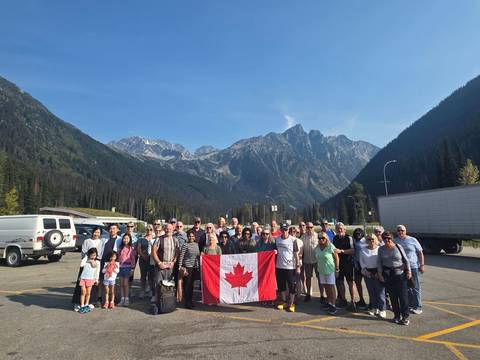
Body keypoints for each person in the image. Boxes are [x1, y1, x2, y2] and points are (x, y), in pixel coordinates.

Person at [378, 231, 411, 325]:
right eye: (384, 238)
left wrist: (408, 271)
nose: (387, 240)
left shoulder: (398, 247)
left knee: (403, 296)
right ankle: (396, 315)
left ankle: (405, 317)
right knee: (393, 297)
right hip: (388, 275)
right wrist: (380, 274)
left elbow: (406, 260)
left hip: (400, 274)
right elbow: (379, 262)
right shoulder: (381, 249)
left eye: (388, 238)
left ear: (392, 238)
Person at [394, 224, 425, 315]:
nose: (400, 232)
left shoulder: (412, 240)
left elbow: (420, 253)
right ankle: (411, 304)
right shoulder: (395, 241)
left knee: (415, 287)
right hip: (401, 268)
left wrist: (422, 265)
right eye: (399, 230)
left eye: (402, 230)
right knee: (407, 288)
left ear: (405, 231)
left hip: (413, 266)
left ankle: (418, 306)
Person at [72, 226, 103, 311]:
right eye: (95, 232)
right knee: (81, 286)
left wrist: (95, 262)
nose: (96, 234)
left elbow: (100, 254)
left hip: (95, 265)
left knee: (92, 285)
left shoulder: (101, 242)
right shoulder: (87, 241)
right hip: (86, 264)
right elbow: (83, 253)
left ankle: (90, 302)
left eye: (98, 232)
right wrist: (89, 260)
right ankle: (78, 303)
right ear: (92, 232)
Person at [275, 223, 300, 313]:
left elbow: (296, 255)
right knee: (281, 286)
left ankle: (292, 303)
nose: (284, 231)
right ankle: (284, 301)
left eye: (286, 230)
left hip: (290, 267)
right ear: (280, 230)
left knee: (291, 286)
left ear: (288, 230)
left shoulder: (293, 240)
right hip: (279, 266)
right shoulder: (277, 239)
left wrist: (298, 266)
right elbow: (275, 251)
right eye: (283, 229)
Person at [359, 234, 386, 318]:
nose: (371, 241)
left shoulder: (380, 249)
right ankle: (374, 308)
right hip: (367, 272)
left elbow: (382, 261)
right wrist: (365, 270)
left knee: (380, 292)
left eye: (373, 239)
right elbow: (361, 261)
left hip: (378, 272)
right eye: (369, 239)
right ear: (366, 241)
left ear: (376, 240)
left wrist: (379, 272)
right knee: (371, 291)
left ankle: (382, 309)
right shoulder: (362, 250)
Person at [332, 222, 356, 311]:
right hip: (339, 263)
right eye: (338, 228)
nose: (339, 230)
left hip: (348, 263)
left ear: (345, 230)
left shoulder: (349, 238)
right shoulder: (335, 238)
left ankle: (353, 301)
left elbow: (353, 250)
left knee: (350, 283)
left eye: (341, 228)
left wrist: (342, 251)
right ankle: (343, 300)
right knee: (339, 282)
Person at [314, 232, 339, 315]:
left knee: (331, 287)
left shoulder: (330, 246)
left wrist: (337, 269)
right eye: (320, 238)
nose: (321, 240)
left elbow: (336, 258)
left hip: (330, 270)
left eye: (323, 238)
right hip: (321, 270)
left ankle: (334, 305)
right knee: (326, 287)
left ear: (326, 239)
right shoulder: (317, 247)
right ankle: (329, 302)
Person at [98, 223, 121, 305]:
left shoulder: (120, 239)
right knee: (102, 280)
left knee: (114, 281)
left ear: (118, 230)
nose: (112, 230)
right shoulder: (104, 239)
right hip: (104, 262)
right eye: (110, 229)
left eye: (114, 228)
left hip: (114, 263)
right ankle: (100, 297)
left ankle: (113, 299)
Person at [178, 230, 200, 309]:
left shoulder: (197, 245)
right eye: (190, 236)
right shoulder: (185, 245)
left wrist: (197, 267)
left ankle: (190, 301)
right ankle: (187, 302)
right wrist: (180, 267)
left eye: (192, 236)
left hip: (194, 268)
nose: (191, 237)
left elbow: (197, 257)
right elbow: (181, 257)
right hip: (187, 268)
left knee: (191, 286)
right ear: (187, 237)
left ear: (194, 237)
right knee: (187, 286)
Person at [78, 248, 100, 313]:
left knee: (88, 293)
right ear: (89, 255)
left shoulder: (97, 262)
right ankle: (82, 305)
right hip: (83, 278)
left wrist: (96, 279)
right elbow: (81, 265)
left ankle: (86, 304)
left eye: (94, 255)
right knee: (83, 292)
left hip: (91, 279)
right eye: (92, 255)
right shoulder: (86, 260)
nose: (93, 256)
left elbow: (96, 270)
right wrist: (86, 258)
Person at [301, 222, 319, 302]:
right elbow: (300, 248)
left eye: (311, 227)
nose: (309, 229)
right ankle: (308, 294)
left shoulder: (318, 236)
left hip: (317, 261)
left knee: (320, 278)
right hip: (307, 260)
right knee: (308, 278)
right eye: (308, 227)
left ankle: (322, 295)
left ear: (313, 227)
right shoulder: (303, 237)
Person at [137, 224, 156, 299]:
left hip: (152, 259)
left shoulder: (155, 239)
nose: (149, 231)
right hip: (143, 259)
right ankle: (142, 290)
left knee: (151, 276)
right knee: (143, 275)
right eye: (147, 229)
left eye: (151, 229)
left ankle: (151, 290)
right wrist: (142, 255)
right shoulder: (141, 239)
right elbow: (138, 248)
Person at [117, 233, 137, 306]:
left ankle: (127, 298)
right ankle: (122, 299)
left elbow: (133, 260)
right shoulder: (120, 248)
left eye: (127, 238)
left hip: (127, 267)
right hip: (120, 267)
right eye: (124, 238)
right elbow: (118, 258)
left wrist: (132, 269)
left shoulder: (131, 249)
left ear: (130, 239)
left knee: (126, 284)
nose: (125, 240)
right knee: (121, 284)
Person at [352, 227, 368, 309]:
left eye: (359, 234)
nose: (358, 235)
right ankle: (361, 299)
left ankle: (372, 302)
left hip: (365, 265)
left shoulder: (366, 241)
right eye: (356, 234)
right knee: (358, 283)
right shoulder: (354, 241)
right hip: (357, 265)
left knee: (368, 284)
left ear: (362, 234)